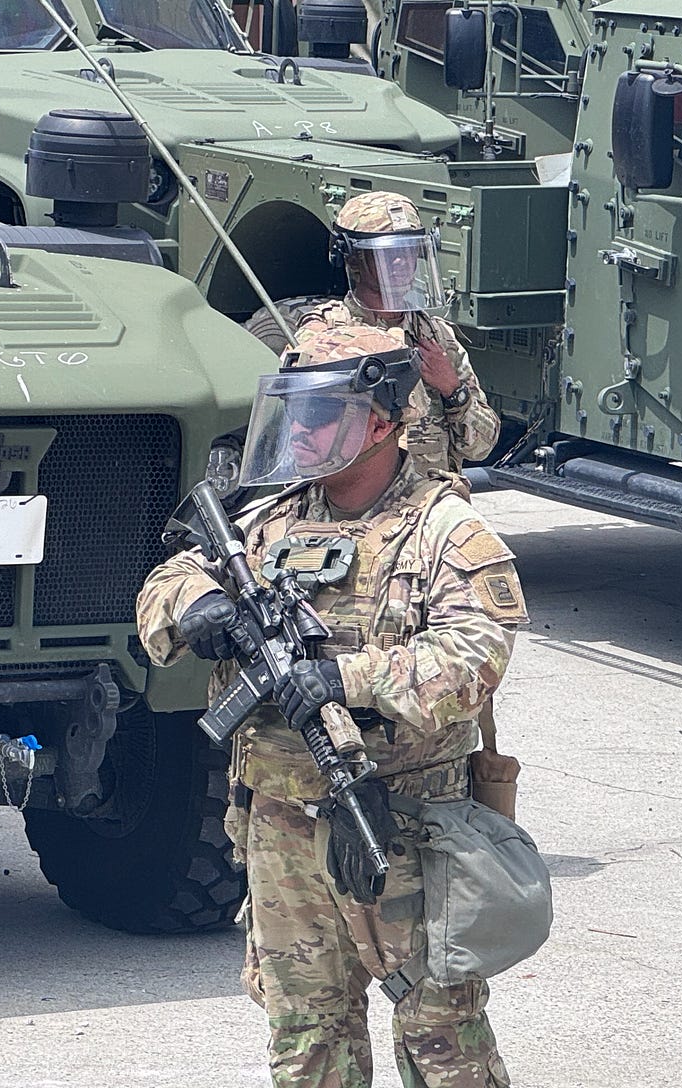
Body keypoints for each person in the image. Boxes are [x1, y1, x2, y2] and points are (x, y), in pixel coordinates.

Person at [135, 325, 526, 1088]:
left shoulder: (445, 528)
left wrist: (349, 678)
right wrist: (198, 603)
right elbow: (163, 584)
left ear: (383, 421)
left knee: (443, 1039)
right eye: (297, 411)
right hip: (279, 825)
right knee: (306, 1036)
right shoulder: (269, 518)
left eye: (322, 413)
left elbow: (474, 659)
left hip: (404, 824)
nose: (302, 431)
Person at [297, 191, 501, 477]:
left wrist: (452, 390)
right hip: (359, 508)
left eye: (408, 250)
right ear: (353, 260)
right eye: (387, 253)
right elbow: (303, 438)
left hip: (429, 505)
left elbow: (482, 447)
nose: (401, 262)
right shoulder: (325, 335)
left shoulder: (435, 337)